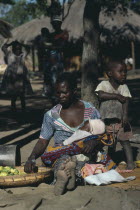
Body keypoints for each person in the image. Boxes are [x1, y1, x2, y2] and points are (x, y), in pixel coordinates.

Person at [24, 72, 116, 196]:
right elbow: (42, 141)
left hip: (86, 150)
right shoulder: (51, 115)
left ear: (74, 91)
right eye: (58, 93)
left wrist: (94, 141)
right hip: (62, 151)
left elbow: (101, 132)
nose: (61, 96)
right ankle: (68, 174)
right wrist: (32, 157)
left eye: (64, 92)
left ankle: (69, 175)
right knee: (61, 161)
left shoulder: (90, 110)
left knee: (83, 161)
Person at [95, 59, 135, 171]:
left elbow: (126, 101)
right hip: (106, 121)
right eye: (120, 71)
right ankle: (109, 161)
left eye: (125, 72)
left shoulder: (124, 87)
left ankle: (131, 163)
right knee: (107, 142)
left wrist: (125, 116)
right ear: (110, 73)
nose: (124, 74)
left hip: (120, 121)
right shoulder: (103, 84)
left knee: (124, 141)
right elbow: (101, 95)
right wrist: (116, 96)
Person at [1, 40, 33, 112]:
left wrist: (21, 43)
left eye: (19, 48)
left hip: (21, 77)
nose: (18, 50)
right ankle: (13, 109)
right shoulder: (9, 54)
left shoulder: (23, 54)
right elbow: (3, 47)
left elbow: (28, 48)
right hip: (12, 77)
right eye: (16, 48)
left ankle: (23, 109)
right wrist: (10, 44)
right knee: (13, 95)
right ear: (13, 49)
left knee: (22, 94)